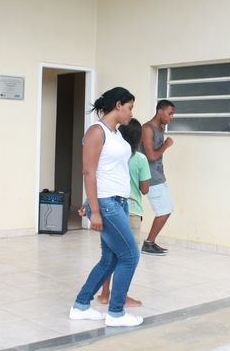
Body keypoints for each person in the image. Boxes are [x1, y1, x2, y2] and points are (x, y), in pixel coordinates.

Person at [69, 87, 143, 327]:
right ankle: (116, 313)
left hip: (118, 202)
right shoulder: (96, 132)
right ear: (119, 105)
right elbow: (89, 171)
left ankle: (81, 306)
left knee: (110, 259)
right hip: (107, 204)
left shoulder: (116, 134)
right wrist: (94, 209)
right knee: (130, 255)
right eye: (130, 107)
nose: (131, 113)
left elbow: (107, 171)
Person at [96, 118, 150, 307]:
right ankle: (122, 297)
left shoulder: (111, 155)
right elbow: (145, 189)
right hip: (132, 211)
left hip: (110, 208)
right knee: (128, 257)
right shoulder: (140, 159)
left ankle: (104, 294)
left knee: (109, 255)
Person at [140, 99, 176, 256]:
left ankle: (150, 242)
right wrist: (166, 145)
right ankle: (148, 243)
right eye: (170, 113)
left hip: (159, 176)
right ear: (160, 111)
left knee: (167, 209)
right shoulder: (147, 129)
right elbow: (151, 156)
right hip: (151, 177)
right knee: (164, 211)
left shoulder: (159, 128)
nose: (171, 117)